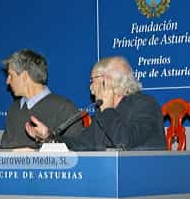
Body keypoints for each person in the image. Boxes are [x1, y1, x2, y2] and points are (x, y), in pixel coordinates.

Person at [26, 56, 167, 151]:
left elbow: (124, 142)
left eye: (92, 80)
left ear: (106, 81)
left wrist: (108, 109)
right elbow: (81, 144)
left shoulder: (145, 105)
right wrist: (49, 137)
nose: (90, 88)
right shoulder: (104, 112)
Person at [0, 49, 81, 149]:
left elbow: (76, 151)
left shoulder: (64, 108)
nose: (7, 81)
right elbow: (3, 151)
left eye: (11, 75)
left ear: (24, 76)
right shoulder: (14, 109)